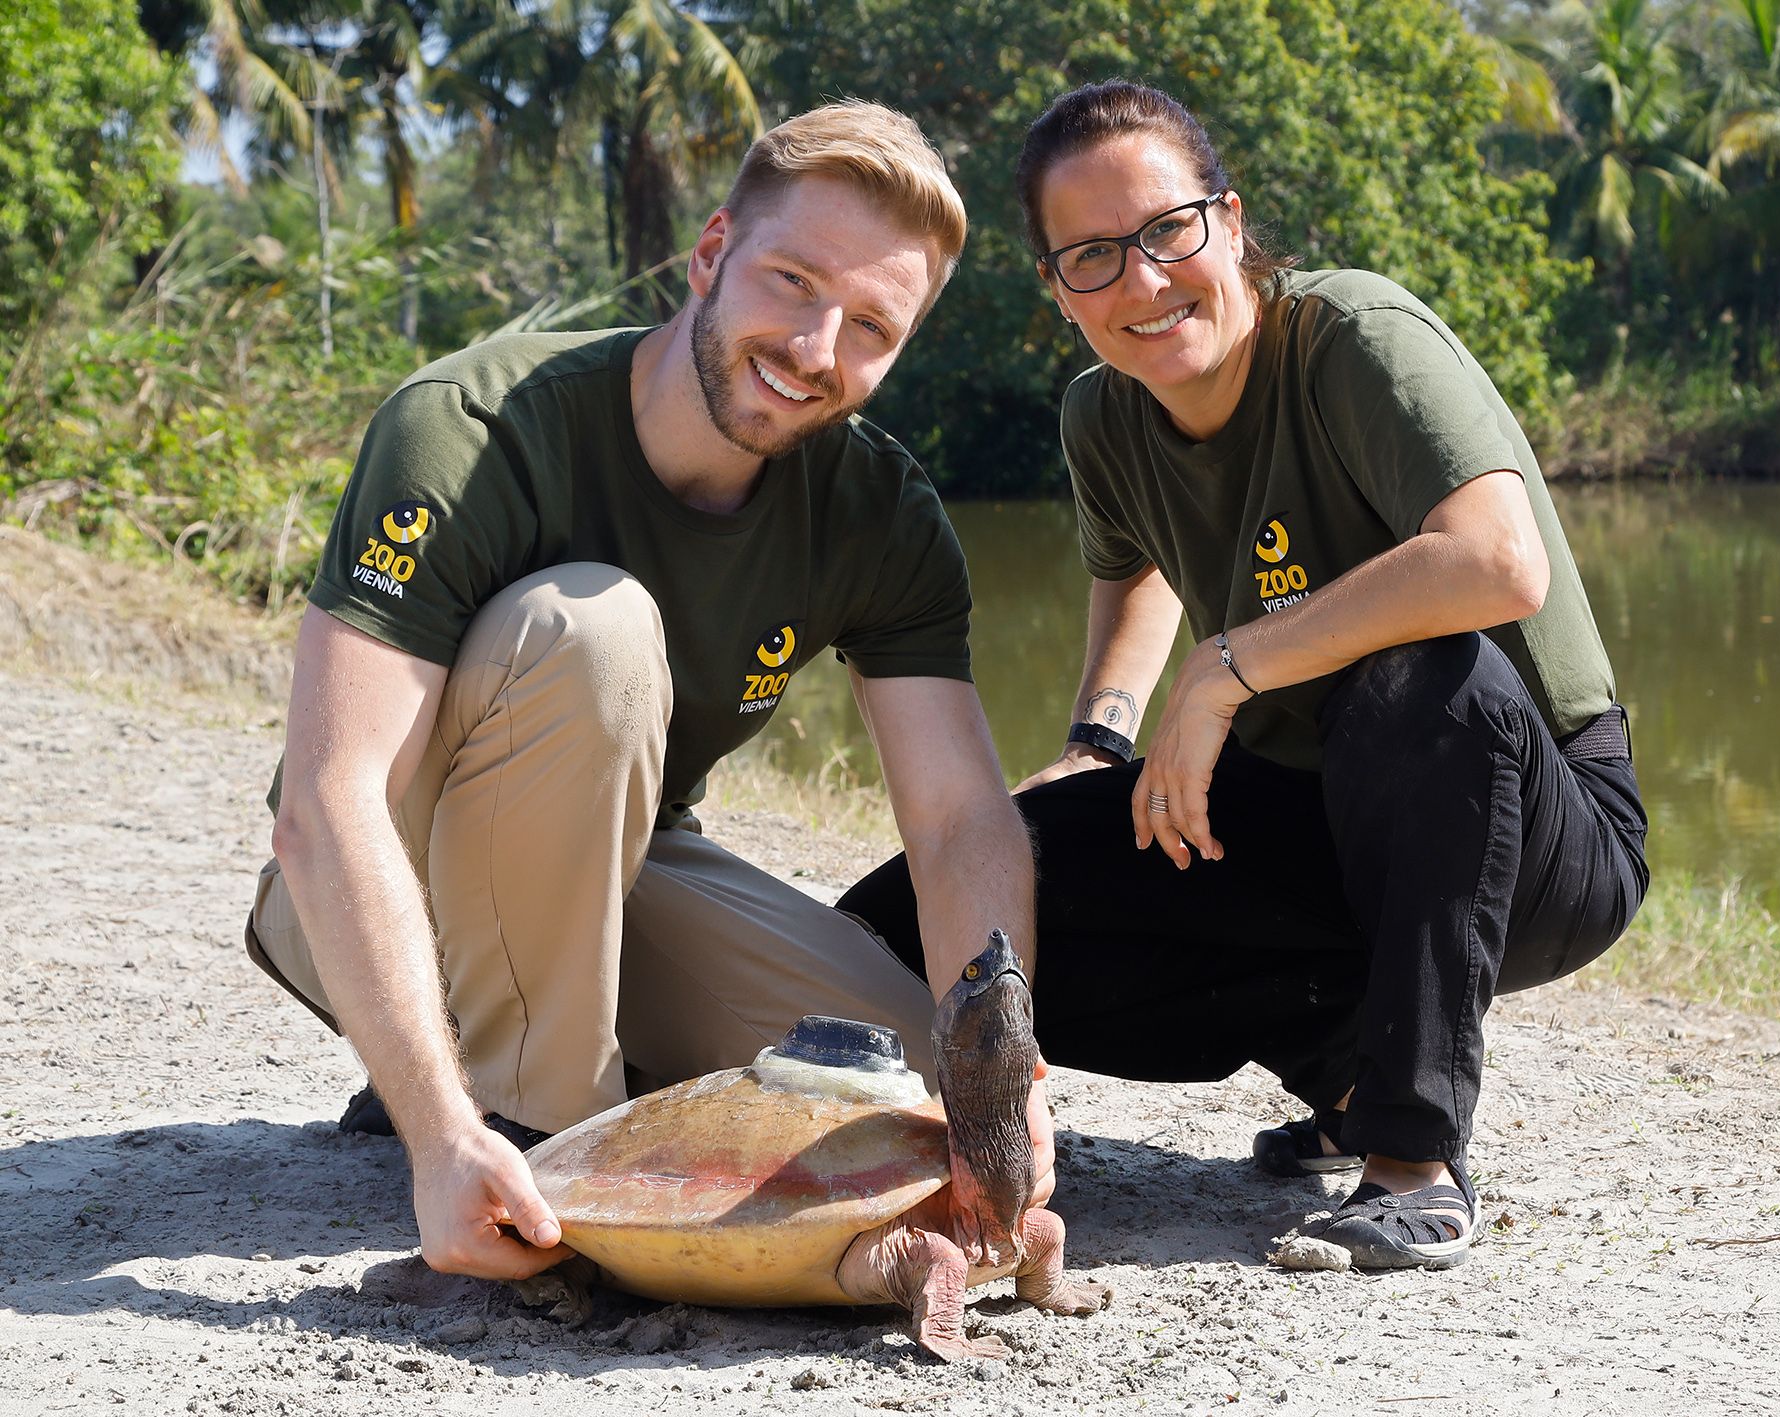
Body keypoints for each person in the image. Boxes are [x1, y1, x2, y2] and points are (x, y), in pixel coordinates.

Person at [840, 81, 1649, 1271]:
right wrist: (1100, 741)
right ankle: (1341, 1067)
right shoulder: (1101, 418)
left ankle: (1411, 1157)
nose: (1144, 281)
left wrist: (1223, 670)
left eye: (1169, 230)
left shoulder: (1350, 338)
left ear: (1228, 219)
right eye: (1094, 257)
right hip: (1304, 814)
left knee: (1417, 670)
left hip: (1526, 824)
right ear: (1056, 291)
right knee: (936, 913)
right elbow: (1133, 572)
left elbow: (1495, 561)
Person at [247, 101, 1044, 1282]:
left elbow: (956, 820)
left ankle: (517, 1063)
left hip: (620, 875)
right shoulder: (470, 427)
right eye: (792, 280)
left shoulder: (880, 513)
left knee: (904, 1092)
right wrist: (438, 1137)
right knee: (596, 627)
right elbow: (330, 796)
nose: (818, 347)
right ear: (711, 251)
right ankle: (523, 1130)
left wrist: (1003, 1097)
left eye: (872, 324)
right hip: (379, 876)